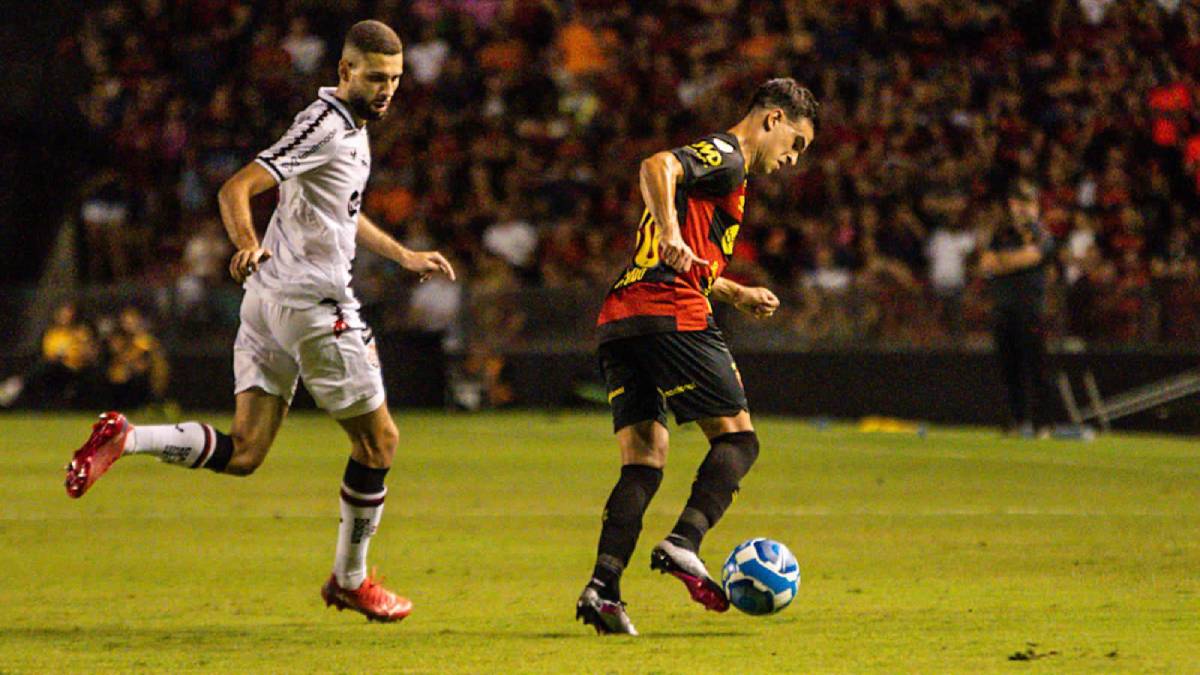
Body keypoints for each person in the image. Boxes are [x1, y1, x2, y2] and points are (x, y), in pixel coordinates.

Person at [64, 20, 455, 623]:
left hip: (268, 306)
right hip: (312, 306)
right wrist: (246, 244)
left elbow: (340, 213)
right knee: (380, 442)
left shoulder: (350, 128)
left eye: (396, 80)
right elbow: (236, 189)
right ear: (345, 72)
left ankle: (126, 436)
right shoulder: (324, 125)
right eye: (376, 77)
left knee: (246, 451)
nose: (387, 90)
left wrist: (401, 255)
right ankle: (350, 580)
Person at [577, 78, 819, 635]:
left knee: (644, 459)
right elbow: (656, 164)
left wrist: (737, 292)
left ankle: (603, 589)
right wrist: (667, 229)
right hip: (671, 312)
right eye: (795, 144)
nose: (790, 159)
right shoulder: (729, 156)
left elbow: (687, 255)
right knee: (738, 438)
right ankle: (685, 541)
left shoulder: (724, 184)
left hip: (622, 316)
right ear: (772, 119)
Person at [978, 179, 1057, 436]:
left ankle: (1043, 424)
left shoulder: (1042, 234)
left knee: (1036, 369)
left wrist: (1005, 261)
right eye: (1019, 202)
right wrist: (1012, 260)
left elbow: (1031, 256)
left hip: (1031, 310)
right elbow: (986, 264)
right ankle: (1016, 421)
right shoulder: (1001, 234)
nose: (1022, 209)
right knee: (1009, 369)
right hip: (1004, 309)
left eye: (1028, 203)